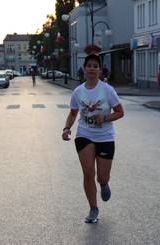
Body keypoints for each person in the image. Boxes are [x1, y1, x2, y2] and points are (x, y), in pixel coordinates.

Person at [62, 54, 124, 223]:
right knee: (88, 173)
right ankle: (93, 208)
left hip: (105, 137)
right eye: (89, 65)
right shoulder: (78, 91)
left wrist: (104, 118)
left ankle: (104, 183)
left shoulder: (107, 90)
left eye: (95, 66)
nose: (92, 68)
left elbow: (120, 112)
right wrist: (67, 128)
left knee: (102, 177)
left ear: (100, 70)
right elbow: (73, 113)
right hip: (84, 135)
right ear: (84, 68)